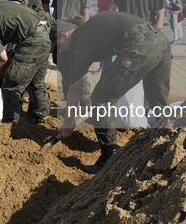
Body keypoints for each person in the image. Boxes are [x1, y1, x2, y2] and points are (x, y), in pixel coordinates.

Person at [56, 11, 171, 174]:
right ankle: (170, 143)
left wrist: (67, 123)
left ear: (64, 35)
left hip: (139, 44)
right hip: (161, 40)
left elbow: (75, 89)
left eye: (58, 45)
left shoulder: (78, 42)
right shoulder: (89, 30)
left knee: (101, 99)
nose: (61, 49)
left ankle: (109, 157)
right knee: (157, 99)